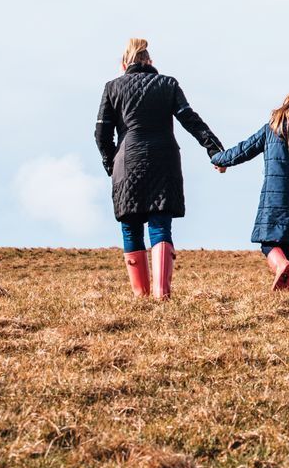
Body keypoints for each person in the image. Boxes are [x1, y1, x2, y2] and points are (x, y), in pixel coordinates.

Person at [95, 38, 223, 299]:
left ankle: (140, 294)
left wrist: (111, 163)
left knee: (131, 226)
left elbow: (101, 134)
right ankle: (161, 292)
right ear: (150, 62)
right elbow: (190, 119)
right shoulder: (168, 84)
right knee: (160, 225)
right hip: (164, 159)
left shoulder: (112, 88)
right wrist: (214, 149)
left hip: (127, 161)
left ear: (123, 64)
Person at [211, 88, 289, 290]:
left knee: (268, 243)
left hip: (274, 196)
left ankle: (281, 266)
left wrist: (218, 159)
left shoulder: (271, 128)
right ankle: (283, 294)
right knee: (287, 244)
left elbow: (243, 150)